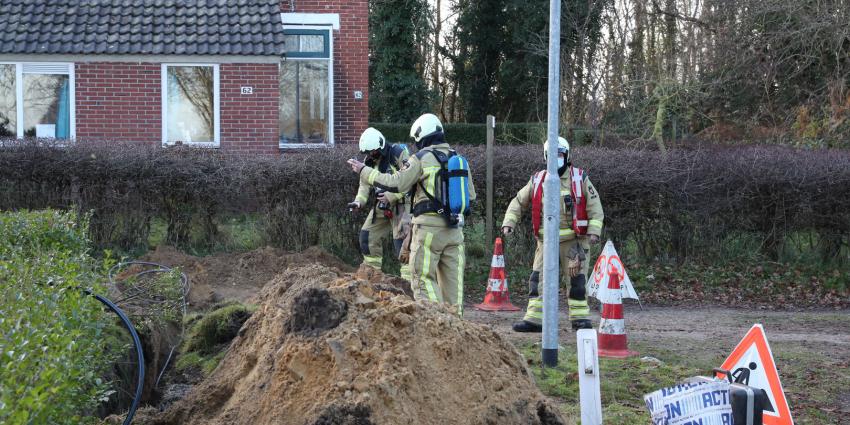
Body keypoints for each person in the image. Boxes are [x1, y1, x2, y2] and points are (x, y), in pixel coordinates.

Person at [347, 114, 475, 316]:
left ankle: (435, 323)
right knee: (453, 285)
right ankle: (455, 328)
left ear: (422, 136)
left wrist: (364, 171)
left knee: (423, 279)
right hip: (455, 231)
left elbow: (397, 183)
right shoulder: (458, 159)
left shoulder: (421, 158)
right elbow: (470, 196)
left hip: (428, 230)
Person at [500, 137, 604, 331]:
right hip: (545, 242)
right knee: (537, 280)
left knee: (577, 281)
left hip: (573, 243)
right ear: (545, 156)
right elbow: (518, 202)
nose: (556, 159)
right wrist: (509, 222)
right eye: (552, 155)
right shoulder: (538, 179)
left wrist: (594, 231)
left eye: (560, 155)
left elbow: (595, 207)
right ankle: (534, 320)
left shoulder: (579, 178)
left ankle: (580, 319)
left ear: (566, 156)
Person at [348, 127, 412, 281]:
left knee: (402, 246)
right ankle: (372, 277)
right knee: (366, 236)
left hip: (401, 204)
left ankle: (409, 284)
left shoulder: (398, 154)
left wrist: (391, 195)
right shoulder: (368, 161)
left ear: (381, 147)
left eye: (373, 152)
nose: (371, 155)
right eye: (368, 153)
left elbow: (408, 181)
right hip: (382, 206)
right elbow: (364, 185)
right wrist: (359, 201)